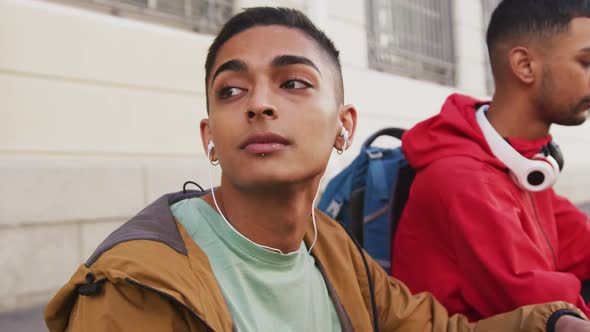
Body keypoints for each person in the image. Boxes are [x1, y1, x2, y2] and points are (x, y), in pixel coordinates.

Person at [45, 6, 589, 332]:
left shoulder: (330, 247)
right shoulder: (134, 289)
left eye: (293, 83)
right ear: (210, 138)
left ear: (343, 127)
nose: (258, 104)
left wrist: (550, 321)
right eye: (231, 90)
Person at [392, 0, 590, 323]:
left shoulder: (523, 165)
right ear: (525, 66)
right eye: (585, 62)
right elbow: (551, 313)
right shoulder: (464, 181)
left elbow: (580, 242)